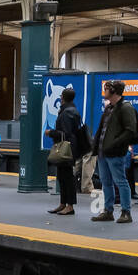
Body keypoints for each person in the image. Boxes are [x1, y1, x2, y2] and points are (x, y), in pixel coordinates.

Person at [91, 79, 136, 224]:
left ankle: (126, 212)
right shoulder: (109, 108)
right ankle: (108, 211)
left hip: (115, 152)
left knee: (120, 181)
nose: (105, 92)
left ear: (114, 91)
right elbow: (101, 129)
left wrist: (115, 144)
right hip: (103, 151)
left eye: (107, 89)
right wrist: (95, 146)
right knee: (106, 182)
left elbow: (130, 131)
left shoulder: (125, 108)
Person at [45, 86, 86, 217]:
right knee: (62, 176)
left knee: (67, 178)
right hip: (70, 148)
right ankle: (63, 203)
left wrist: (50, 132)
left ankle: (69, 206)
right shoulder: (72, 110)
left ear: (62, 97)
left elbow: (66, 133)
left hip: (67, 149)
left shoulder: (67, 112)